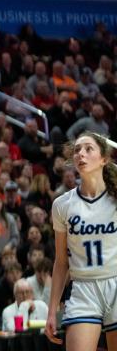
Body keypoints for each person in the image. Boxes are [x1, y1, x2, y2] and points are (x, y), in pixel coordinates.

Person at [45, 133, 117, 350]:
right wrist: (51, 310)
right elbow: (60, 262)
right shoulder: (62, 205)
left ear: (104, 159)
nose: (81, 154)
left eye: (88, 149)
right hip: (83, 289)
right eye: (77, 150)